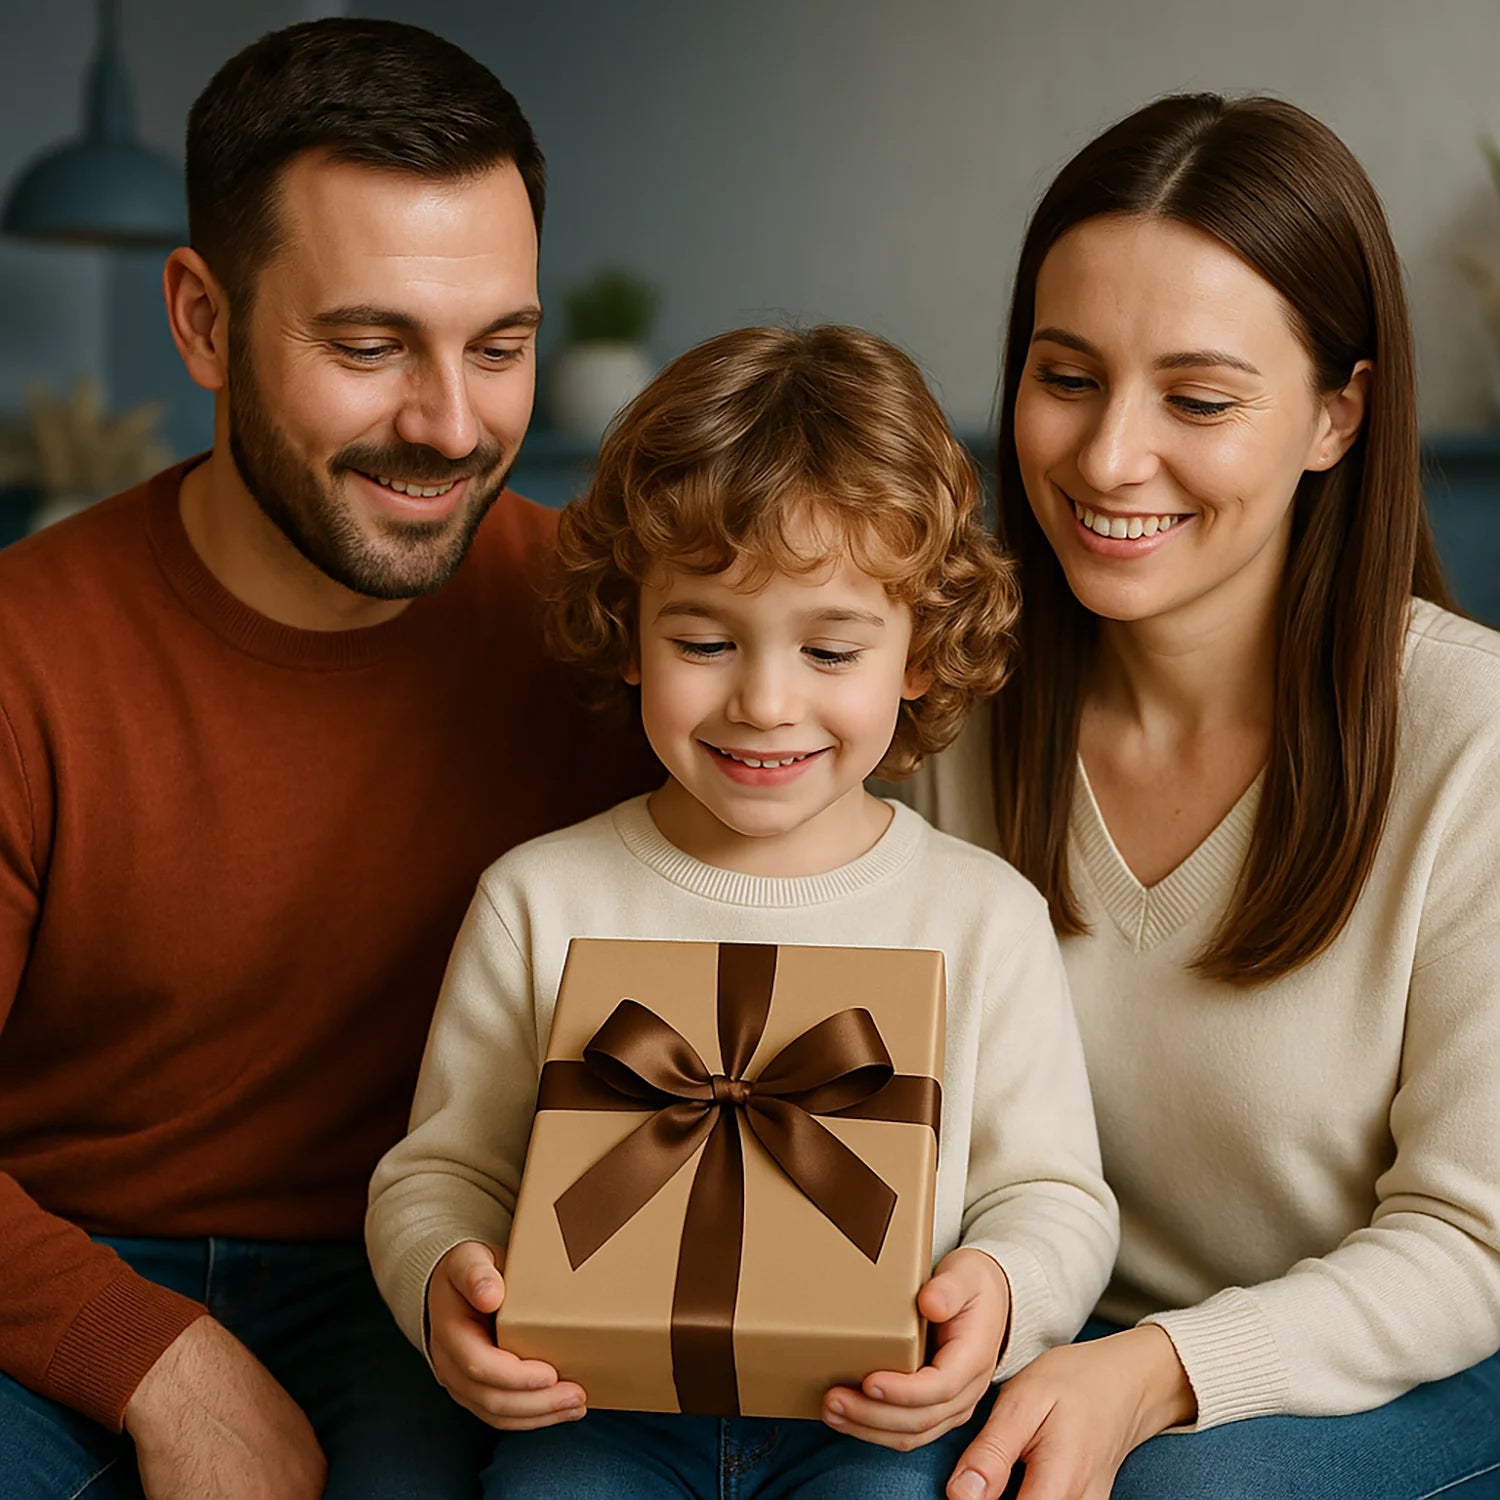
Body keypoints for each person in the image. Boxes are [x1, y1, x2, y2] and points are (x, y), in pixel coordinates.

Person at [0, 17, 654, 1500]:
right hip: (48, 1272)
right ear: (203, 321)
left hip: (425, 1278)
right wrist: (154, 1354)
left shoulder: (620, 645)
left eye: (501, 348)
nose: (448, 423)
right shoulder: (21, 653)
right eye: (368, 347)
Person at [365, 324, 1120, 1499]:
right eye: (706, 640)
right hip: (598, 1414)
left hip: (865, 1425)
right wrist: (445, 1284)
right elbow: (440, 1172)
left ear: (918, 651)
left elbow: (1053, 1195)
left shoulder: (980, 917)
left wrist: (1001, 1300)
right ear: (629, 631)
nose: (765, 701)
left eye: (831, 648)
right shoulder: (538, 899)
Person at [897, 94, 1500, 1500]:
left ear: (1336, 416)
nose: (1109, 458)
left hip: (1409, 1359)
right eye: (1066, 376)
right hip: (1045, 1331)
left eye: (1200, 398)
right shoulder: (934, 714)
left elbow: (1475, 1248)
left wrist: (1156, 1371)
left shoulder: (1473, 739)